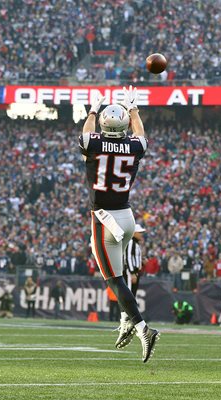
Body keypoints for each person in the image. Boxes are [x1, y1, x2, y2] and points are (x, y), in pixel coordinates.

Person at [79, 85, 158, 363]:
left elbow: (86, 136)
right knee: (120, 276)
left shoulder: (95, 143)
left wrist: (92, 109)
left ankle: (141, 328)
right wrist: (134, 109)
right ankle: (126, 320)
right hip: (127, 217)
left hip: (104, 219)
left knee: (112, 278)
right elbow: (141, 137)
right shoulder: (134, 146)